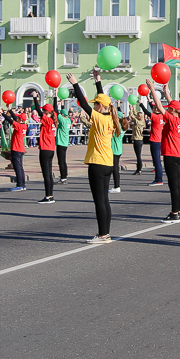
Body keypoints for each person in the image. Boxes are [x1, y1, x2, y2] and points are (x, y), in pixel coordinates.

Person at [67, 70, 119, 243]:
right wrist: (98, 82)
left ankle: (103, 235)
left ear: (100, 107)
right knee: (105, 200)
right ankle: (107, 233)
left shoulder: (98, 118)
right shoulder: (111, 118)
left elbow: (82, 103)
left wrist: (75, 84)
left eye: (96, 104)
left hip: (97, 164)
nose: (95, 105)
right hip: (108, 163)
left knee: (99, 201)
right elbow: (103, 100)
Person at [146, 77, 180, 223]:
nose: (167, 109)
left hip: (171, 154)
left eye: (169, 108)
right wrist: (166, 91)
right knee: (177, 185)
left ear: (173, 111)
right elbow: (174, 105)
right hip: (177, 154)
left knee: (173, 185)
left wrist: (152, 88)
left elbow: (159, 105)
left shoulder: (172, 119)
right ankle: (179, 211)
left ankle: (175, 213)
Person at [33, 93, 57, 204]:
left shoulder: (47, 121)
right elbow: (55, 110)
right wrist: (55, 97)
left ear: (47, 112)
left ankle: (48, 196)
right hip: (51, 149)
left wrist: (34, 97)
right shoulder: (53, 120)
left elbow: (37, 110)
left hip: (45, 149)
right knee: (49, 172)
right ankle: (50, 195)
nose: (42, 112)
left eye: (44, 111)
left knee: (46, 173)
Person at [2, 106, 28, 192]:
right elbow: (14, 117)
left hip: (16, 148)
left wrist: (2, 113)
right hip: (20, 148)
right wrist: (10, 109)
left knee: (17, 168)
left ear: (20, 119)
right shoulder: (23, 125)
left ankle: (20, 184)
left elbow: (10, 120)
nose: (17, 118)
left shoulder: (19, 126)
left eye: (18, 118)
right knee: (20, 167)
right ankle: (22, 184)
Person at [139, 98, 164, 185]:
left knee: (157, 160)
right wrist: (148, 98)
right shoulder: (161, 116)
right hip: (159, 140)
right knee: (157, 160)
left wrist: (141, 103)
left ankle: (159, 179)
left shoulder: (156, 117)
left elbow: (146, 111)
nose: (153, 109)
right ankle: (159, 178)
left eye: (154, 108)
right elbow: (152, 107)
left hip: (155, 140)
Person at [55, 102, 71, 185]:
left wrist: (56, 103)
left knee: (61, 161)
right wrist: (61, 104)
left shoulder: (62, 120)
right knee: (63, 160)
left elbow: (56, 112)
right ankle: (65, 175)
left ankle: (63, 177)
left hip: (60, 142)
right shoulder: (68, 120)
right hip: (65, 142)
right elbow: (62, 113)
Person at [129, 105, 146, 175]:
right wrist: (134, 108)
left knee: (138, 155)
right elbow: (135, 115)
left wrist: (131, 109)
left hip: (137, 139)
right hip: (140, 139)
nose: (136, 116)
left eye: (138, 116)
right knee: (138, 155)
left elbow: (133, 117)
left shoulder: (138, 122)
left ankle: (139, 169)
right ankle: (139, 169)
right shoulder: (142, 122)